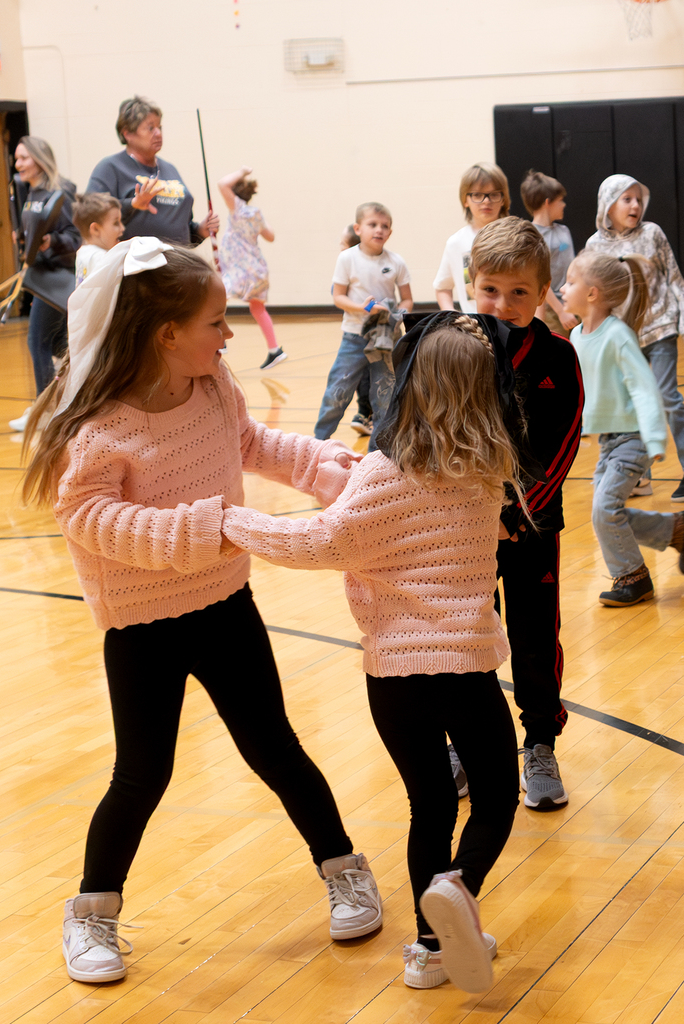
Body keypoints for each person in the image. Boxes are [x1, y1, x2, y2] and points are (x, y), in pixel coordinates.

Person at [21, 238, 382, 984]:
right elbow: (90, 520)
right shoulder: (100, 428)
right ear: (166, 335)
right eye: (217, 322)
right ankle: (89, 914)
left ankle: (343, 866)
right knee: (141, 774)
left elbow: (247, 442)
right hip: (142, 626)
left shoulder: (214, 385)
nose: (229, 336)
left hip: (224, 605)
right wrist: (204, 528)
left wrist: (319, 466)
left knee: (274, 746)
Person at [221, 312, 525, 993]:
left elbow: (322, 544)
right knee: (497, 796)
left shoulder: (381, 473)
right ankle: (459, 892)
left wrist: (233, 521)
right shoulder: (488, 476)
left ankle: (428, 949)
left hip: (394, 677)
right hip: (467, 668)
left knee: (429, 807)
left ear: (411, 386)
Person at [463, 217, 584, 810]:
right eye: (491, 289)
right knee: (467, 635)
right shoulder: (454, 351)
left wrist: (521, 511)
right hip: (464, 530)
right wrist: (479, 509)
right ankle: (466, 745)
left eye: (519, 292)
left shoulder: (560, 357)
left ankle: (539, 744)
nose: (503, 304)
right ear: (471, 284)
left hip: (534, 529)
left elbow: (562, 443)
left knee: (535, 637)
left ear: (542, 293)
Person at [561, 251, 684, 605]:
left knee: (603, 510)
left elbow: (644, 387)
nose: (562, 288)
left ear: (593, 293)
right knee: (607, 515)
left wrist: (655, 437)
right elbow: (581, 390)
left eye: (570, 281)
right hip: (609, 442)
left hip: (633, 440)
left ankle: (633, 577)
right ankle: (676, 530)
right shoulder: (577, 336)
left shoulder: (618, 335)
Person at [586, 174, 684, 501]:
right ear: (607, 205)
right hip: (623, 337)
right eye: (626, 199)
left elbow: (674, 276)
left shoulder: (652, 233)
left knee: (668, 398)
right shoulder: (595, 246)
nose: (635, 205)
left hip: (660, 328)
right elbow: (594, 295)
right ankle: (640, 478)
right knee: (629, 407)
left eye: (638, 199)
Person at [314, 202, 413, 449]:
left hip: (385, 339)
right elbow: (338, 297)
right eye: (372, 224)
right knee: (338, 390)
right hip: (354, 338)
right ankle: (317, 444)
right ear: (358, 228)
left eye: (384, 226)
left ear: (390, 232)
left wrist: (398, 314)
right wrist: (364, 308)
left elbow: (407, 298)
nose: (379, 230)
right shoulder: (347, 258)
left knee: (384, 397)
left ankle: (376, 454)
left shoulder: (396, 262)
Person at [8, 137, 80, 432]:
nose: (18, 164)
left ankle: (43, 410)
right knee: (60, 346)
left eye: (24, 157)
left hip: (57, 278)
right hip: (40, 277)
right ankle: (64, 405)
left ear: (39, 158)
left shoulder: (59, 191)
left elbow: (75, 237)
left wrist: (52, 242)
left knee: (37, 341)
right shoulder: (30, 191)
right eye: (17, 158)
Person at [86, 95, 219, 246]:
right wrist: (133, 204)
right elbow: (90, 215)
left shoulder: (170, 169)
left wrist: (200, 231)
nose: (158, 133)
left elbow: (182, 229)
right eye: (150, 128)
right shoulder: (110, 168)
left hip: (178, 264)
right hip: (137, 265)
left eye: (159, 127)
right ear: (127, 133)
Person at [217, 166, 283, 369]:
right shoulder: (256, 214)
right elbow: (270, 236)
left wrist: (243, 172)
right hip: (257, 269)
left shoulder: (237, 209)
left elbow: (222, 184)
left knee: (217, 296)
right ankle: (275, 350)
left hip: (242, 269)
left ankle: (220, 341)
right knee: (257, 307)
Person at [433, 162, 510, 314]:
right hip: (474, 330)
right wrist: (453, 318)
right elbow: (442, 287)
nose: (486, 201)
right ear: (465, 200)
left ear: (503, 199)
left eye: (494, 194)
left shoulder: (516, 237)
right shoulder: (456, 243)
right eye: (477, 195)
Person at [520, 170, 578, 337]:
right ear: (548, 202)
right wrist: (560, 312)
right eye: (560, 200)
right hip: (553, 310)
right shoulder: (531, 236)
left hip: (573, 303)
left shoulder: (564, 230)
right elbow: (539, 279)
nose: (564, 205)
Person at [337, 223, 372, 437]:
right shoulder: (345, 271)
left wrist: (363, 308)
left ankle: (367, 414)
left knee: (370, 376)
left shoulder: (364, 272)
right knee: (360, 376)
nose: (339, 248)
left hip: (370, 333)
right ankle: (364, 414)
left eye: (342, 244)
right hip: (353, 333)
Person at [72, 192, 124, 285]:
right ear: (95, 229)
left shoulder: (82, 252)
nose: (122, 228)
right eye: (116, 223)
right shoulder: (100, 259)